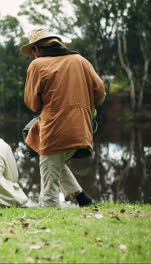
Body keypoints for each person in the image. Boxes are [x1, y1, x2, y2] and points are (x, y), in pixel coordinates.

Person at [21, 29, 106, 207]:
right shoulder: (80, 60)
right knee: (37, 141)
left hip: (54, 131)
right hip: (82, 130)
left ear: (37, 48)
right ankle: (82, 198)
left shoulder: (37, 65)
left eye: (33, 52)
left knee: (48, 185)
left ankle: (48, 218)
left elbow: (33, 104)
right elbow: (100, 94)